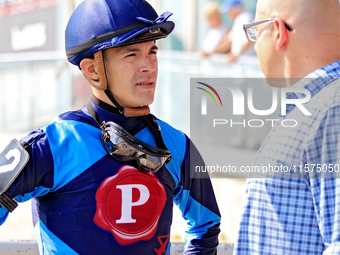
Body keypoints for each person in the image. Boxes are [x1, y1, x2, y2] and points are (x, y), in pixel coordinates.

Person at [0, 0, 221, 254]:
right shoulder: (52, 146)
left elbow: (206, 226)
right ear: (93, 70)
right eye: (132, 54)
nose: (149, 65)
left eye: (152, 52)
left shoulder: (177, 144)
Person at [234, 0, 340, 254]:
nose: (254, 44)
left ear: (278, 31)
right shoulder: (316, 108)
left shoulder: (331, 110)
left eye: (255, 32)